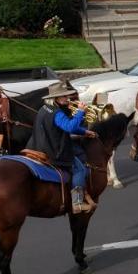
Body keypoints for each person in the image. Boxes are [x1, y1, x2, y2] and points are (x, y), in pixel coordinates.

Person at [28, 82, 96, 213]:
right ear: (56, 98)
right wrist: (80, 111)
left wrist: (84, 132)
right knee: (80, 169)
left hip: (37, 146)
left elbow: (64, 127)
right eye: (63, 96)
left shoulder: (44, 108)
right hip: (53, 151)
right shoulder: (57, 113)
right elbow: (69, 127)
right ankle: (77, 203)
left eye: (66, 95)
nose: (67, 98)